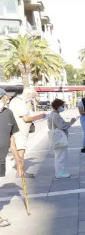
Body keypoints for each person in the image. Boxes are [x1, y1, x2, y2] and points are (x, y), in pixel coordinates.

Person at [8, 88, 46, 178]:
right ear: (28, 95)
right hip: (19, 131)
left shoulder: (18, 101)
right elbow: (26, 118)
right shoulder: (19, 102)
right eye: (32, 97)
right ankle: (20, 172)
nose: (31, 99)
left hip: (19, 130)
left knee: (20, 150)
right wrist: (40, 116)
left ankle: (20, 171)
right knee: (21, 151)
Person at [0, 89, 19, 227]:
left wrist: (16, 154)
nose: (6, 101)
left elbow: (11, 135)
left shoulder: (8, 113)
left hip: (1, 157)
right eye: (4, 98)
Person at [48, 99, 77, 178]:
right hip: (59, 137)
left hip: (56, 137)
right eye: (62, 106)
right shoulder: (55, 115)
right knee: (61, 156)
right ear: (58, 106)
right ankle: (60, 173)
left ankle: (60, 172)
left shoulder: (53, 114)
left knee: (59, 156)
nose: (63, 107)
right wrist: (71, 122)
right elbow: (62, 126)